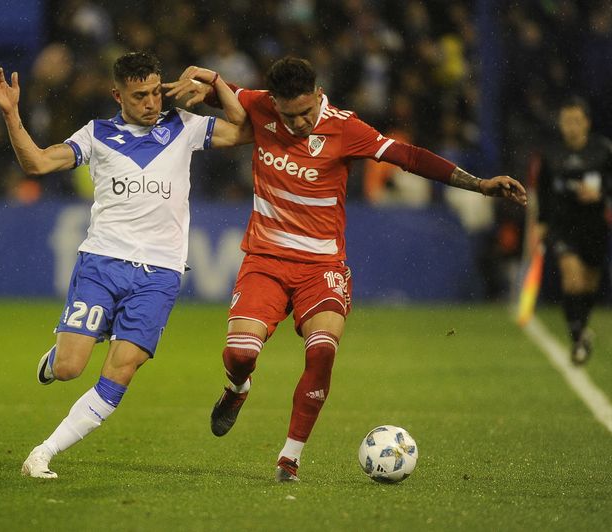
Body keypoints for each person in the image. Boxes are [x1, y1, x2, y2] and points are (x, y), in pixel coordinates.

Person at [166, 57, 527, 482]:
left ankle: (290, 458)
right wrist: (195, 83)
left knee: (321, 351)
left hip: (321, 266)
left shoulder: (346, 128)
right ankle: (238, 388)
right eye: (289, 115)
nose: (298, 123)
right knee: (240, 355)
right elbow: (216, 93)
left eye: (305, 112)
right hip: (265, 260)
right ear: (275, 104)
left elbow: (409, 156)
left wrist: (480, 184)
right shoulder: (262, 106)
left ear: (319, 95)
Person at [0, 51, 250, 478]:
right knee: (71, 369)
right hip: (103, 263)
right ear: (118, 95)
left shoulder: (183, 126)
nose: (151, 103)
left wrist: (215, 81)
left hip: (160, 274)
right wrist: (12, 114)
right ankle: (57, 358)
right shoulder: (97, 134)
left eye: (155, 93)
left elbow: (245, 130)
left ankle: (43, 453)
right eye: (140, 95)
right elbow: (36, 162)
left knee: (121, 370)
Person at [534, 96, 612, 365]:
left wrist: (600, 193)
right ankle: (577, 338)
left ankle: (581, 327)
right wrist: (541, 223)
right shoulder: (551, 154)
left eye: (576, 121)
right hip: (563, 225)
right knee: (572, 279)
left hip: (594, 226)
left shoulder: (603, 151)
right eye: (567, 121)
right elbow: (542, 191)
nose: (571, 126)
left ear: (587, 123)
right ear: (560, 123)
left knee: (589, 282)